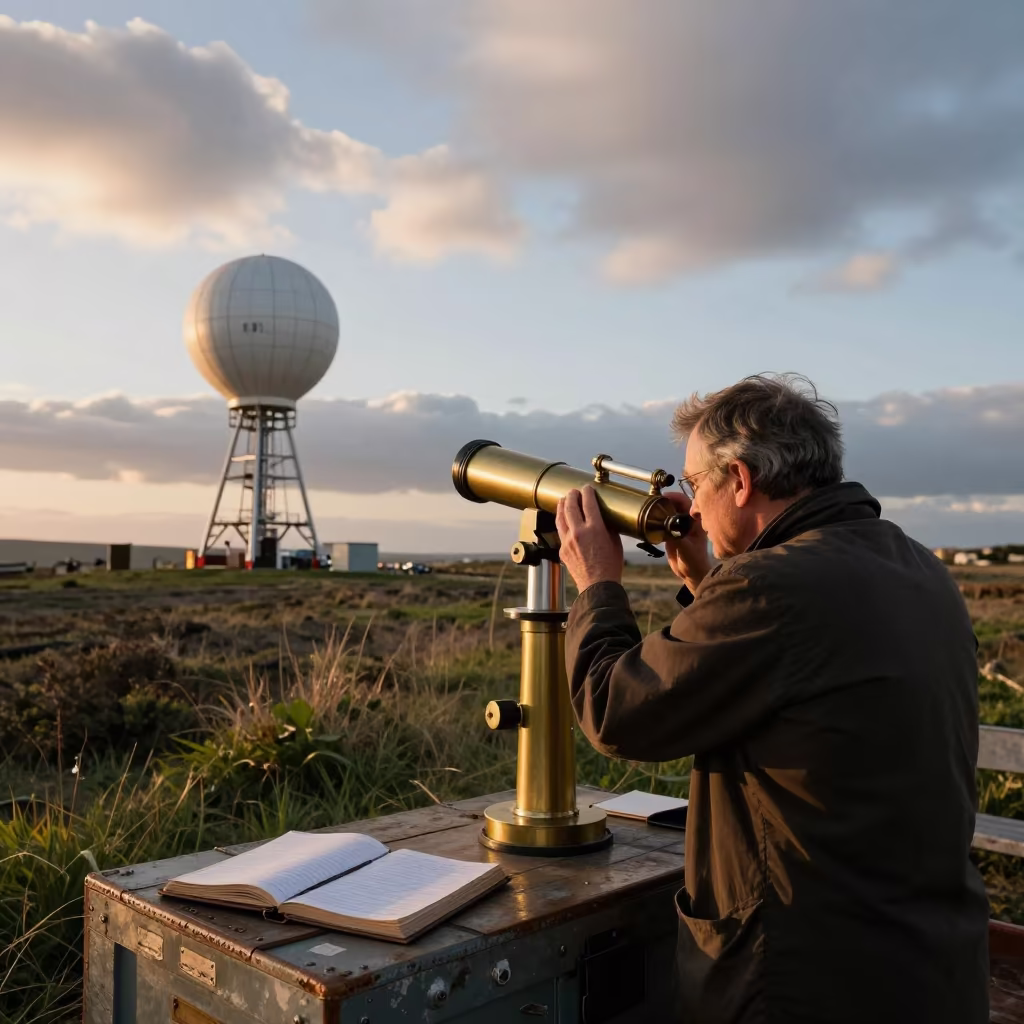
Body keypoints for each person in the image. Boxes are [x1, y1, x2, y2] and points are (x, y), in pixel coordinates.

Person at [554, 374, 989, 1024]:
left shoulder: (772, 589)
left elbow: (618, 712)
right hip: (923, 964)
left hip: (804, 979)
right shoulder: (914, 564)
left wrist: (595, 585)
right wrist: (707, 577)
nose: (691, 508)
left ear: (741, 479)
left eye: (695, 484)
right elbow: (795, 675)